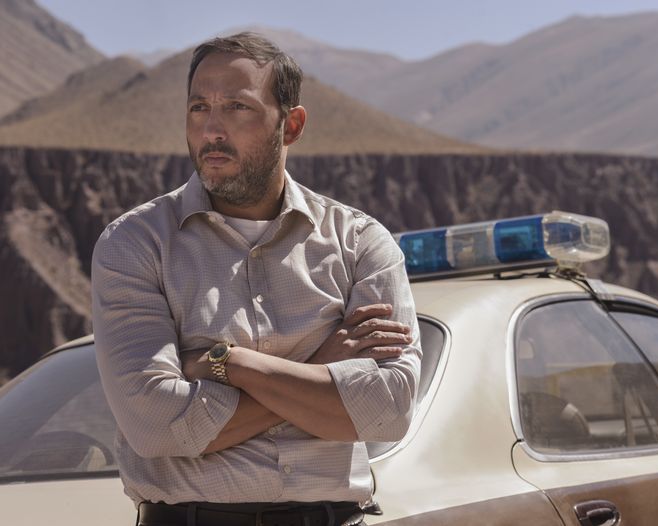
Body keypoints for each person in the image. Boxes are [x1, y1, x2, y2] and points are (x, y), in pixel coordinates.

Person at [91, 32, 421, 526]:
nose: (211, 130)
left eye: (237, 108)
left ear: (292, 125)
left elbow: (388, 410)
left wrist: (229, 363)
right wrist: (320, 369)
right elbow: (156, 426)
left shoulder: (360, 242)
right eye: (199, 107)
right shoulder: (136, 244)